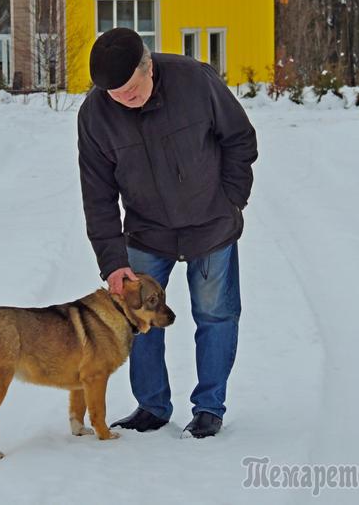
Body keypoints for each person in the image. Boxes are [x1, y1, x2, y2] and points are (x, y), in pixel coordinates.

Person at [77, 27, 258, 438]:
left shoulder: (195, 80)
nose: (125, 100)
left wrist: (231, 200)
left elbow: (240, 140)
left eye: (132, 90)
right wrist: (113, 262)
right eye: (115, 95)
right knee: (138, 320)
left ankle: (209, 408)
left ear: (149, 66)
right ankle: (152, 406)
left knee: (215, 315)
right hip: (146, 233)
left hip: (211, 225)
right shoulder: (95, 115)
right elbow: (98, 195)